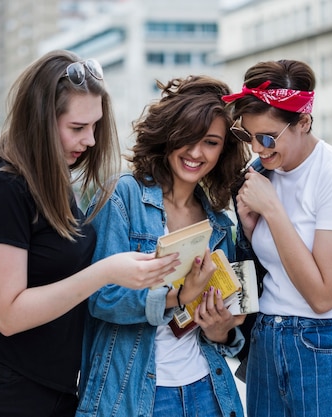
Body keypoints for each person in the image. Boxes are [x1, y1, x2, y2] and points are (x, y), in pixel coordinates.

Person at [0, 50, 181, 417]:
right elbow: (8, 314)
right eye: (77, 128)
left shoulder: (53, 183)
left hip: (50, 389)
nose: (92, 140)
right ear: (39, 121)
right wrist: (107, 272)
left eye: (95, 126)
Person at [75, 75, 251, 417]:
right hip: (135, 394)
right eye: (187, 137)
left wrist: (222, 330)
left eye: (211, 142)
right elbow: (100, 297)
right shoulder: (122, 196)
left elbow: (225, 331)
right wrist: (178, 296)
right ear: (168, 133)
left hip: (208, 390)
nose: (196, 152)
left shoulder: (217, 222)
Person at [223, 59, 332, 416]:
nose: (256, 148)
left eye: (267, 137)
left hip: (331, 345)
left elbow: (324, 296)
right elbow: (268, 269)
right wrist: (250, 229)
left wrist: (273, 212)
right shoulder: (260, 172)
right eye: (247, 135)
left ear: (304, 122)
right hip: (267, 339)